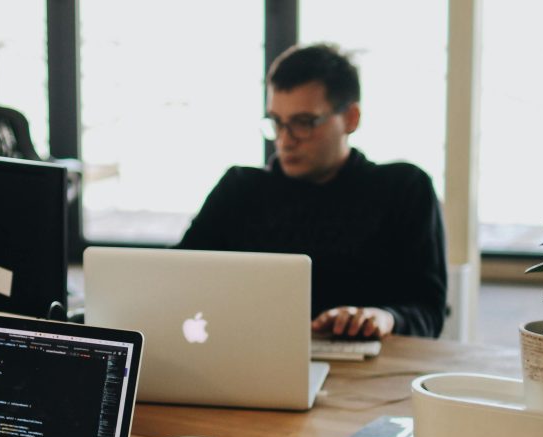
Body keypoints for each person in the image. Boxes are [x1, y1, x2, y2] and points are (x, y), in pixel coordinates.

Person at [176, 43, 447, 339]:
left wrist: (385, 318)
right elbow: (176, 278)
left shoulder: (404, 189)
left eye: (304, 123)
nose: (285, 140)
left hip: (368, 372)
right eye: (277, 123)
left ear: (351, 119)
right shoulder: (239, 189)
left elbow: (429, 313)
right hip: (250, 360)